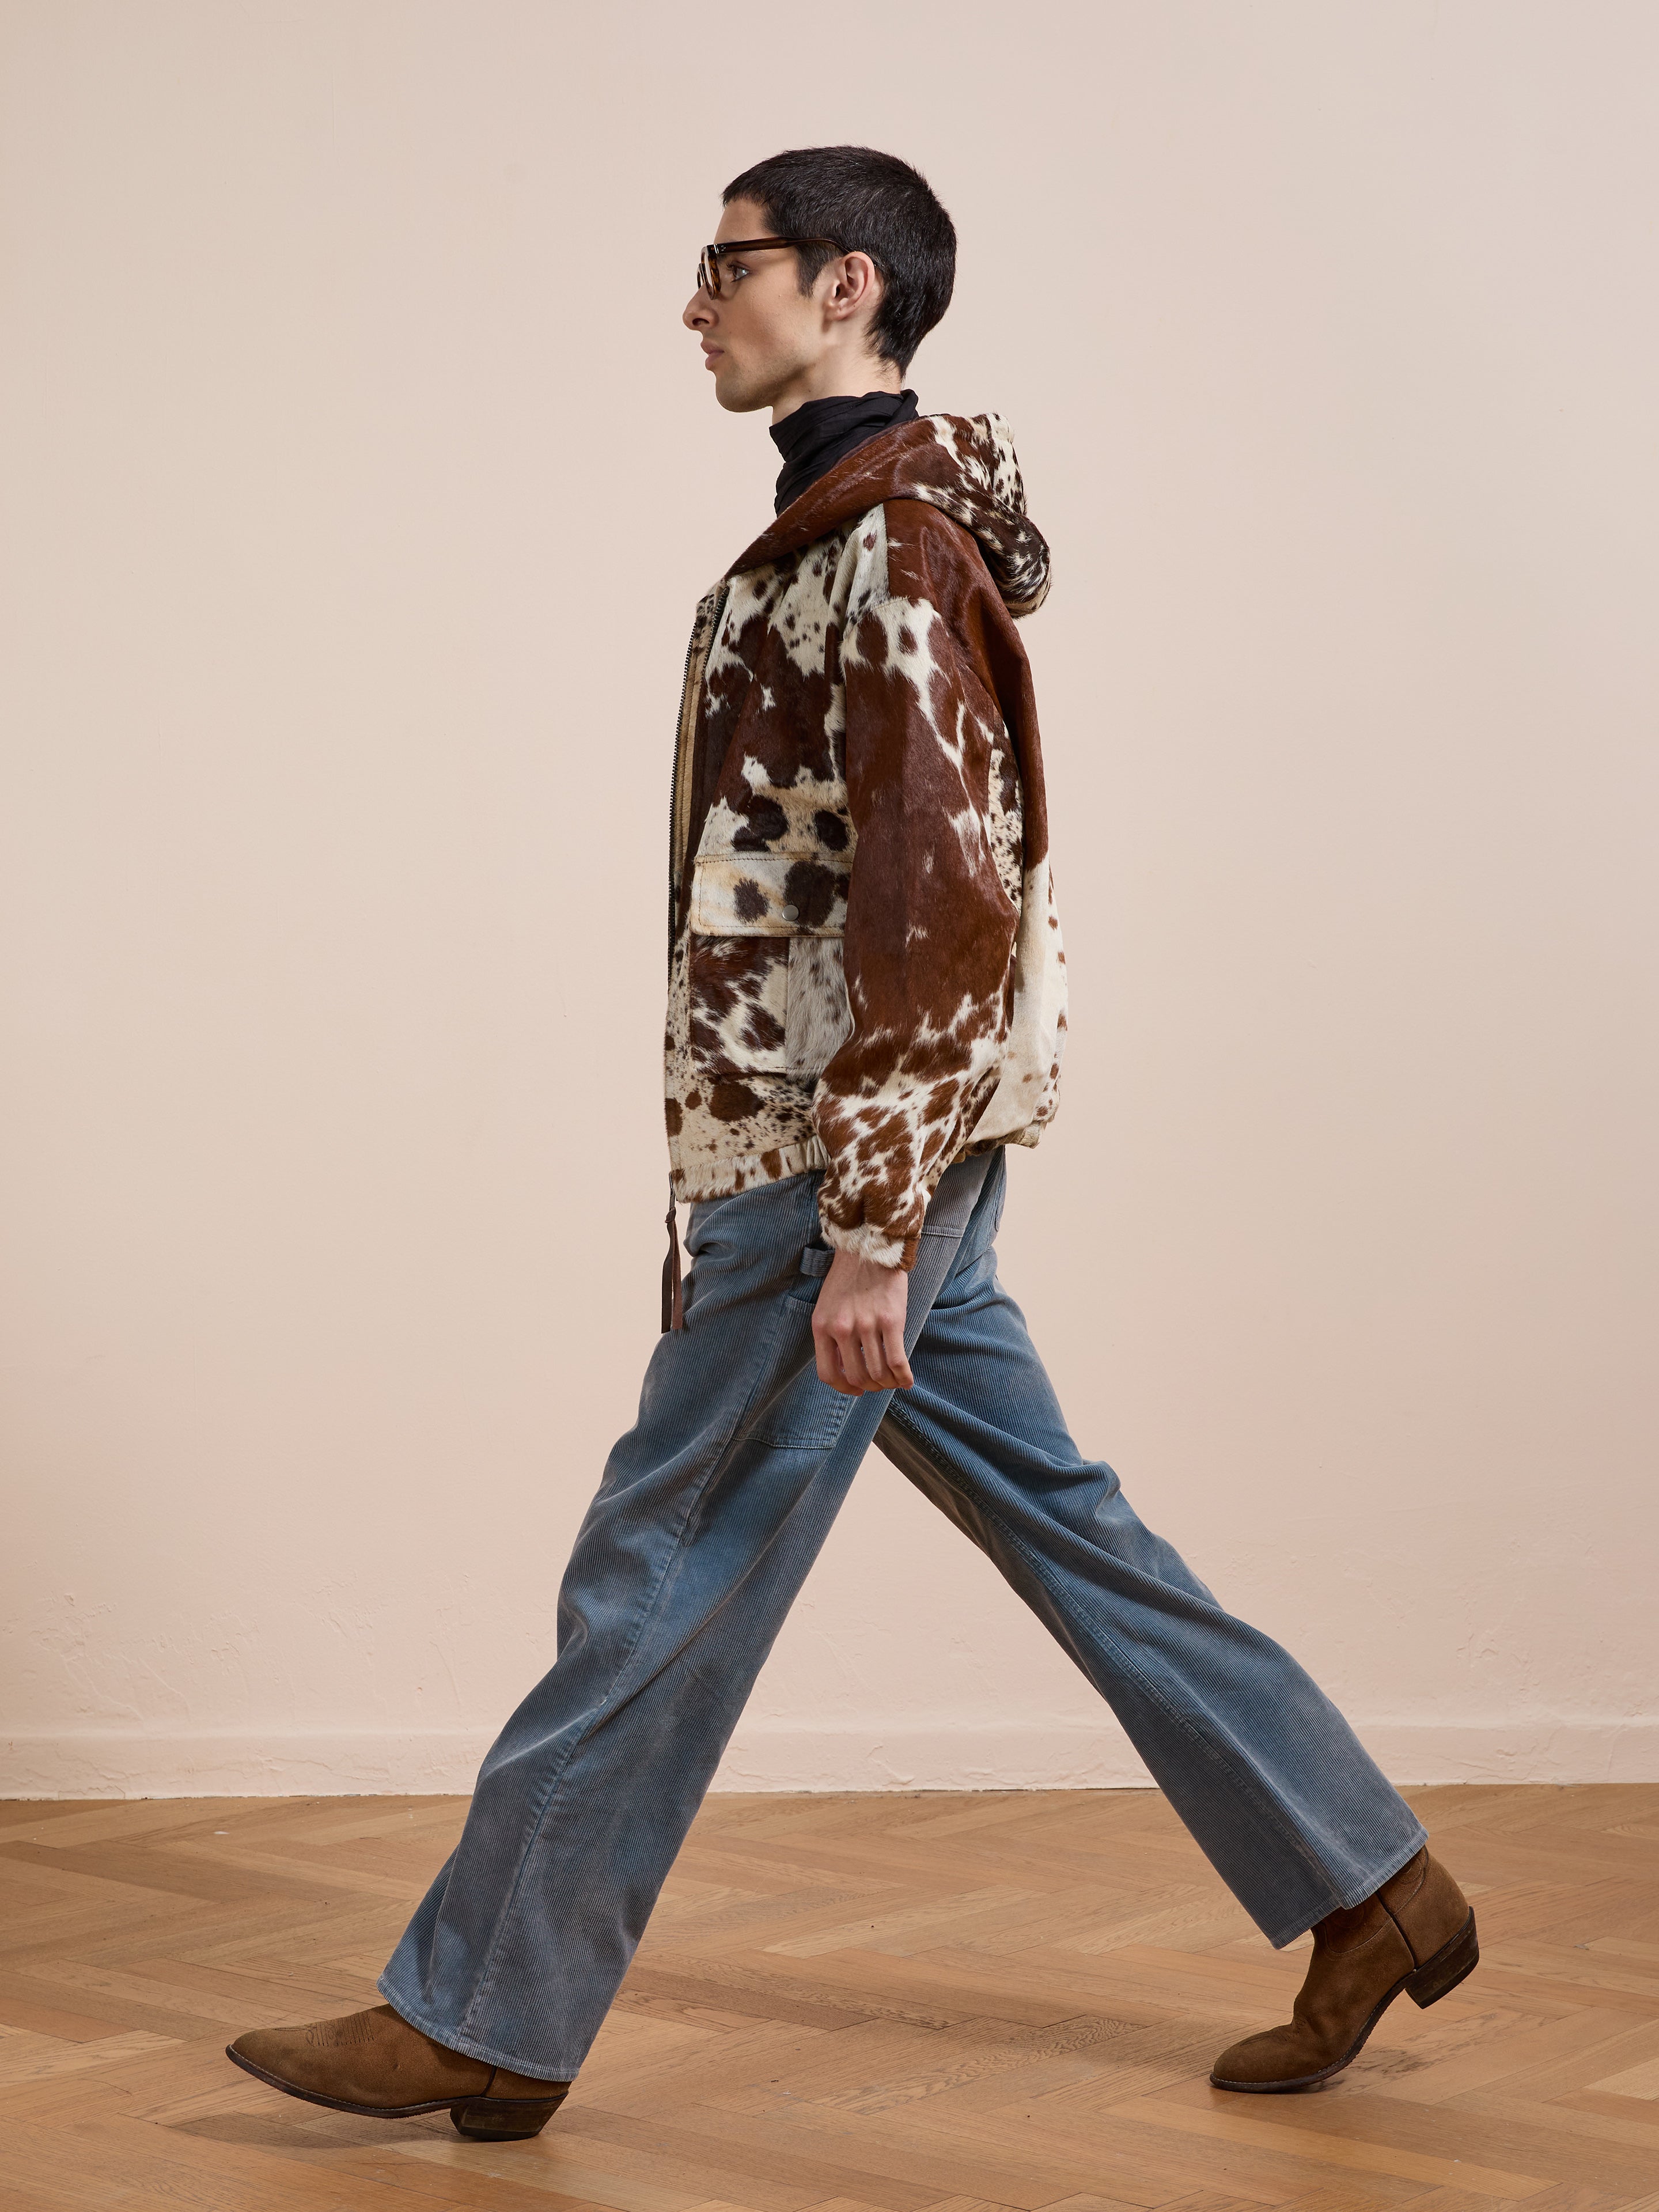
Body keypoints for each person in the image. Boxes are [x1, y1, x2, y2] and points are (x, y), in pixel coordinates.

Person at [226, 145, 1478, 2142]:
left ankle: (481, 2009)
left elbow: (943, 901)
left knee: (662, 1560)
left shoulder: (885, 552)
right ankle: (1368, 1882)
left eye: (727, 264)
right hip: (870, 1153)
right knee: (1063, 1518)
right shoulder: (846, 530)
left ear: (847, 286)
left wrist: (872, 1220)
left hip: (831, 1166)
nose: (695, 299)